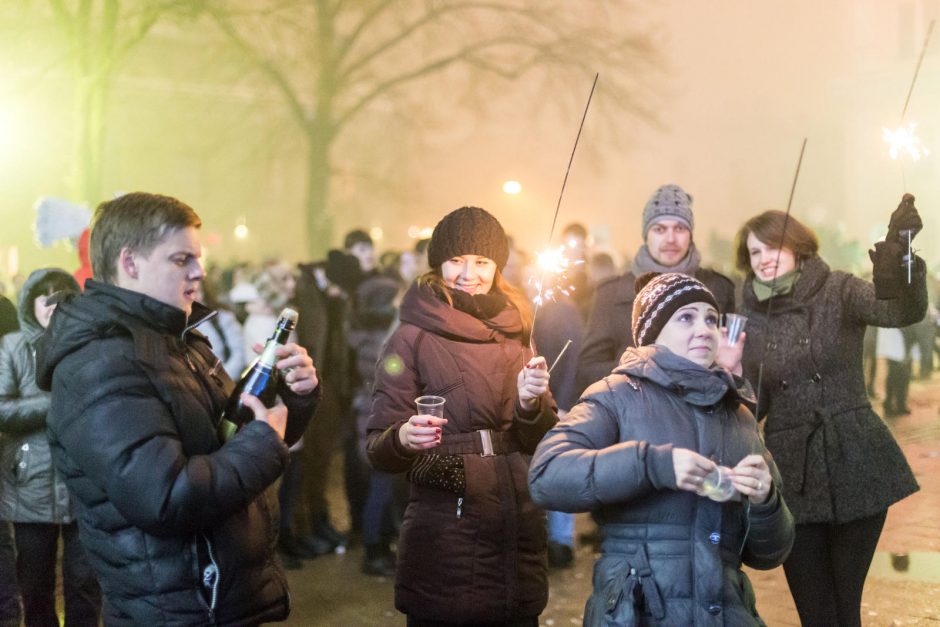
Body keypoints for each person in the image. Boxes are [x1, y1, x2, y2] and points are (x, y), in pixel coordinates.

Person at [35, 192, 320, 625]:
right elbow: (165, 497)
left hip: (213, 601)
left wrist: (292, 402)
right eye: (181, 259)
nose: (199, 272)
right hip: (175, 610)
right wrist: (264, 443)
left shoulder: (178, 340)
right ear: (130, 263)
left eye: (198, 258)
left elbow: (230, 437)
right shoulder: (98, 363)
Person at [529, 272, 794, 625]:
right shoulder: (615, 395)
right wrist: (654, 465)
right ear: (653, 333)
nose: (704, 329)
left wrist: (766, 500)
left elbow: (770, 552)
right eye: (686, 317)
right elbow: (547, 475)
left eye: (711, 319)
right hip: (638, 613)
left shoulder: (739, 414)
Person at [733, 199, 926, 626]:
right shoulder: (748, 318)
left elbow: (900, 310)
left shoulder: (838, 289)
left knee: (844, 607)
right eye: (755, 253)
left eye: (772, 247)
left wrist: (902, 254)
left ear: (798, 247)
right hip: (794, 474)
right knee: (816, 611)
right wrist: (731, 371)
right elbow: (753, 405)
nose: (764, 260)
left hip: (855, 459)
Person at [366, 206, 557, 626]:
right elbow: (377, 447)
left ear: (497, 267)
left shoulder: (517, 331)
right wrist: (402, 437)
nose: (468, 272)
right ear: (438, 263)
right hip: (446, 532)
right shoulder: (410, 338)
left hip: (514, 525)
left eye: (481, 261)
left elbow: (544, 440)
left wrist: (531, 405)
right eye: (456, 260)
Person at [1, 268, 101, 626]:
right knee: (35, 584)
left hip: (83, 482)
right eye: (44, 293)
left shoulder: (90, 345)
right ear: (31, 302)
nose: (52, 300)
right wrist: (55, 402)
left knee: (85, 583)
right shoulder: (11, 346)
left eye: (61, 292)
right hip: (31, 484)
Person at [577, 184, 735, 392]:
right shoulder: (611, 293)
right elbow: (587, 370)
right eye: (660, 229)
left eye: (679, 228)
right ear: (646, 235)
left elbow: (730, 357)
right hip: (631, 414)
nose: (670, 239)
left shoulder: (718, 288)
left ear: (690, 234)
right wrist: (642, 368)